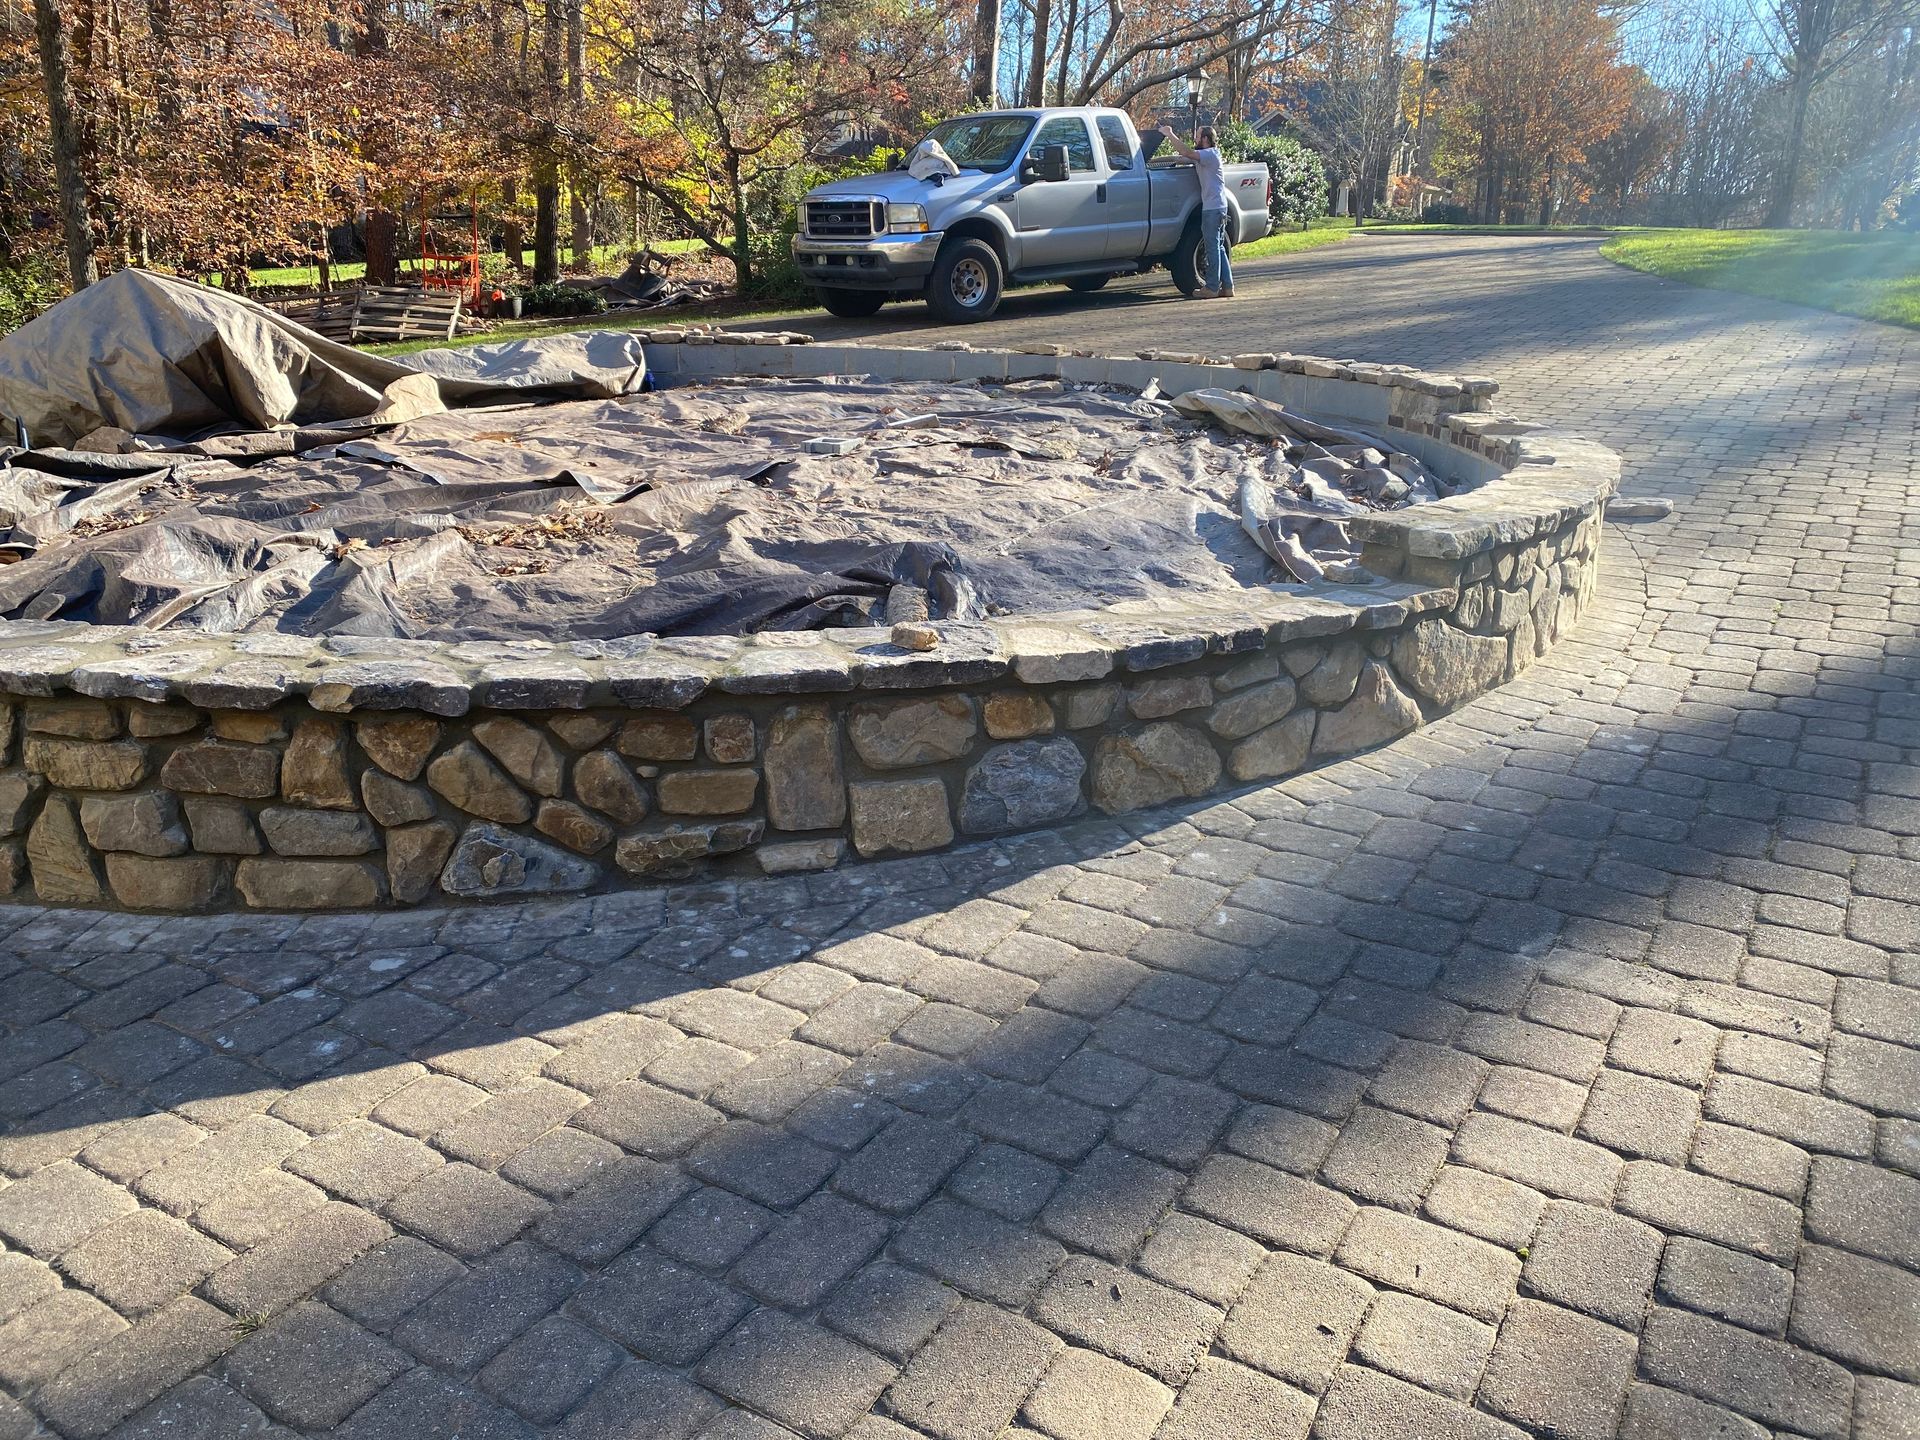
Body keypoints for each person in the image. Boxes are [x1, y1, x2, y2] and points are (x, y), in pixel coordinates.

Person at [1158, 124, 1233, 299]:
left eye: (1198, 136)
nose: (1195, 139)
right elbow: (1183, 158)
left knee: (1212, 247)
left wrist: (1170, 134)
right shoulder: (1206, 157)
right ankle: (1228, 286)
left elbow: (1187, 153)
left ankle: (1212, 287)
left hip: (1213, 209)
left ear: (1206, 139)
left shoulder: (1209, 154)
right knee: (1219, 247)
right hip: (1219, 206)